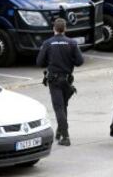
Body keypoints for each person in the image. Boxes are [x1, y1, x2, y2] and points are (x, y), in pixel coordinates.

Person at [37, 18, 84, 146]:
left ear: (54, 29)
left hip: (54, 80)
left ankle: (66, 137)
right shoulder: (72, 43)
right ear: (65, 29)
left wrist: (50, 61)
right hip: (67, 80)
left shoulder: (48, 43)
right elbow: (80, 61)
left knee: (59, 108)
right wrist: (70, 60)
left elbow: (39, 62)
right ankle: (59, 132)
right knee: (63, 107)